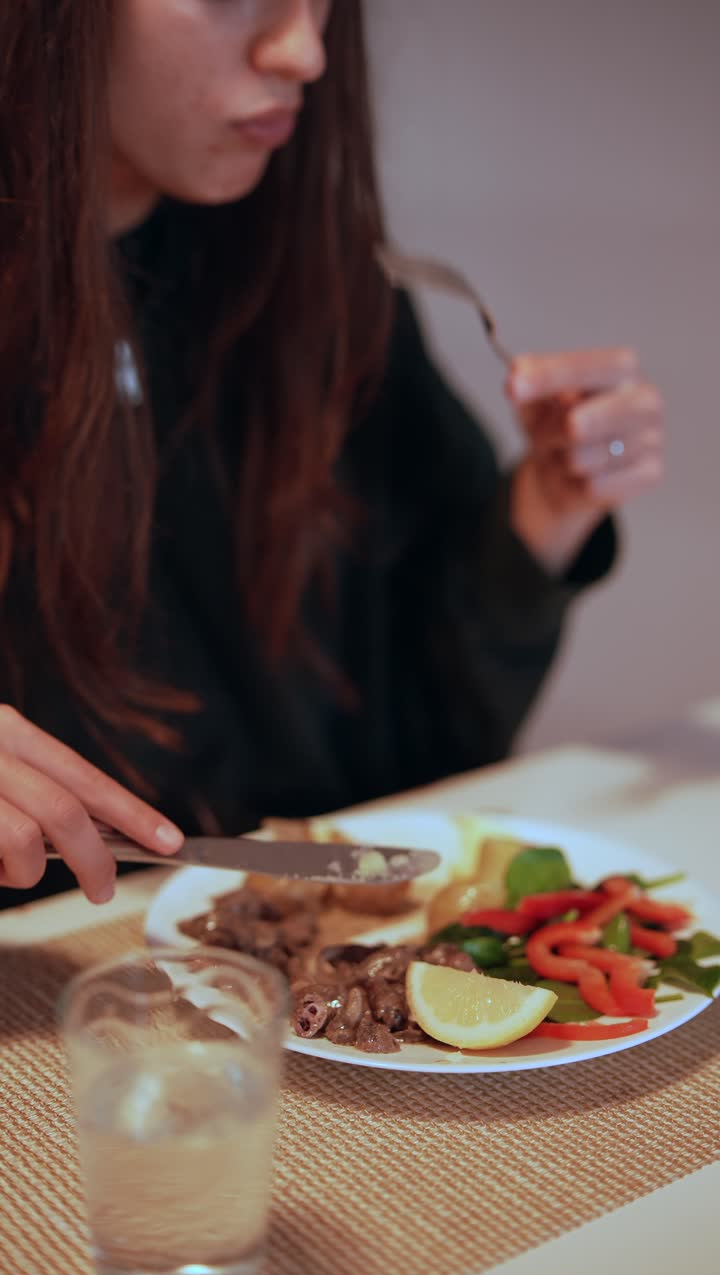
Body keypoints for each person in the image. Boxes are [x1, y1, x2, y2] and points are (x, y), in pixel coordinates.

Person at [0, 0, 663, 908]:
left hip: (306, 986)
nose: (305, 50)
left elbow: (427, 766)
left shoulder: (323, 295)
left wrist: (538, 521)